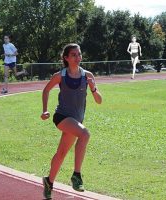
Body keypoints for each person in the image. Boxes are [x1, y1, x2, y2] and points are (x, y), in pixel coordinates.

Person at [40, 43, 102, 199]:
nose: (77, 57)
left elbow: (99, 101)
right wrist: (45, 110)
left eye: (79, 54)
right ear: (66, 58)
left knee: (61, 154)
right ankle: (76, 175)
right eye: (73, 55)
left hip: (76, 120)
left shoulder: (87, 75)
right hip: (61, 117)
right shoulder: (60, 75)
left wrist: (93, 88)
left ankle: (49, 182)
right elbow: (46, 90)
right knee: (85, 134)